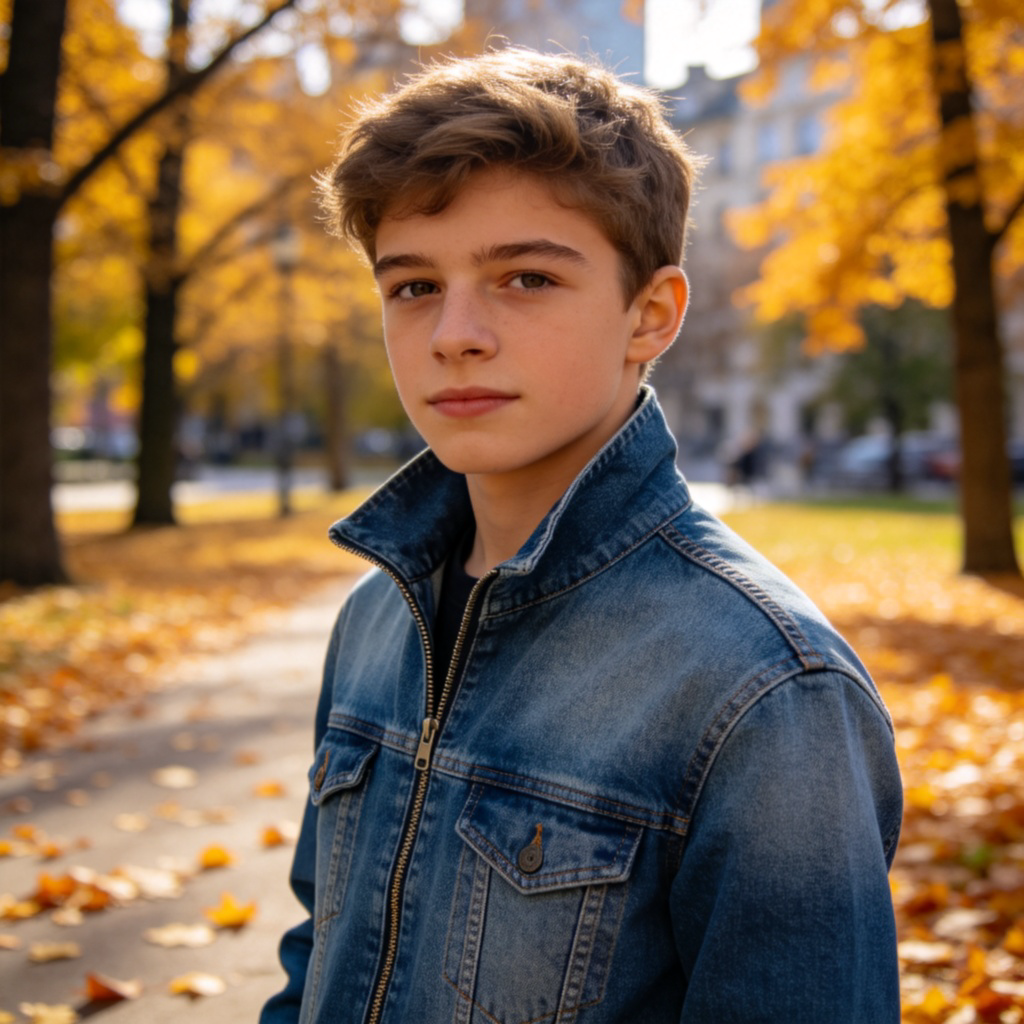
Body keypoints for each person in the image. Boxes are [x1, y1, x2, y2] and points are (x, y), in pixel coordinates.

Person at [261, 47, 902, 1024]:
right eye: (414, 286)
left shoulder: (768, 689)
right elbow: (318, 954)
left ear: (651, 315)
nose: (454, 334)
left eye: (524, 277)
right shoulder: (374, 617)